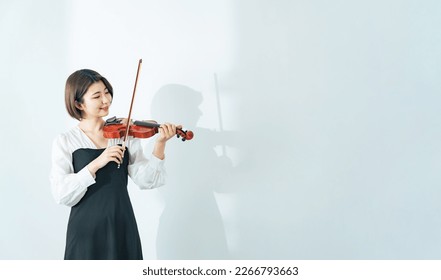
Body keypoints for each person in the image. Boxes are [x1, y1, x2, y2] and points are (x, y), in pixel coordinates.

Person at [50, 69, 179, 260]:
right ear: (78, 103)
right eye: (97, 96)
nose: (106, 100)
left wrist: (160, 144)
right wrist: (97, 163)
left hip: (121, 223)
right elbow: (62, 194)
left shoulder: (125, 133)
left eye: (107, 92)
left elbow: (147, 180)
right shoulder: (66, 141)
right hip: (85, 230)